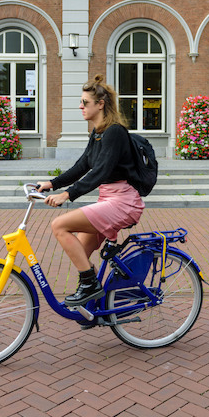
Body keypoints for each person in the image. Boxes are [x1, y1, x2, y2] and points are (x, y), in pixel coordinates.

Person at [36, 74, 144, 307]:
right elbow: (83, 165)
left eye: (85, 102)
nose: (80, 106)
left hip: (123, 202)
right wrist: (52, 184)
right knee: (81, 256)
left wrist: (68, 194)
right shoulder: (97, 133)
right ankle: (93, 305)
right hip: (108, 200)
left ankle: (91, 287)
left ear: (100, 104)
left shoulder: (114, 132)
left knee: (59, 225)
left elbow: (101, 172)